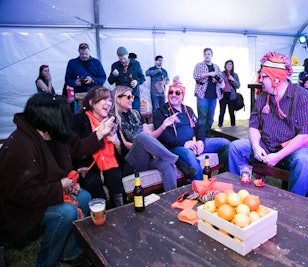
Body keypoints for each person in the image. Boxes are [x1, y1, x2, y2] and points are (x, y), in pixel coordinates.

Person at [0, 93, 114, 266]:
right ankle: (46, 262)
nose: (68, 118)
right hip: (21, 207)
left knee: (85, 198)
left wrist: (99, 133)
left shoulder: (55, 133)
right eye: (64, 114)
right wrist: (60, 185)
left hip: (46, 193)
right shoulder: (21, 146)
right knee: (66, 212)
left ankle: (70, 252)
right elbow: (22, 194)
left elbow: (78, 148)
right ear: (49, 118)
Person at [228, 51, 308, 196]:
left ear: (276, 79)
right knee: (235, 147)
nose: (259, 79)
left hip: (292, 149)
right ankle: (238, 195)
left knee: (304, 160)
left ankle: (295, 204)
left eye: (264, 76)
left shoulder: (302, 96)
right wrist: (256, 147)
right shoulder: (263, 96)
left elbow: (305, 135)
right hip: (267, 145)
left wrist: (278, 156)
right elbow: (253, 126)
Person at [111, 86, 197, 191]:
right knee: (141, 137)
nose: (132, 100)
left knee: (167, 165)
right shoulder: (113, 119)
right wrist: (146, 146)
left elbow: (150, 136)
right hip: (131, 161)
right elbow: (124, 145)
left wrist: (164, 125)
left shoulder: (136, 114)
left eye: (132, 97)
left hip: (148, 157)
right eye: (128, 97)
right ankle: (178, 161)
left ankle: (172, 197)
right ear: (118, 99)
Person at [153, 76, 230, 181]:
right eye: (171, 92)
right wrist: (184, 144)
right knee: (188, 154)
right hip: (177, 147)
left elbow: (199, 127)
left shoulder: (188, 110)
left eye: (177, 93)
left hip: (194, 143)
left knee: (225, 143)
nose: (173, 95)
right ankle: (201, 188)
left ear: (183, 95)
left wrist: (200, 141)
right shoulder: (161, 112)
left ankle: (223, 176)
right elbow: (162, 135)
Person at [72, 86, 125, 208]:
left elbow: (122, 154)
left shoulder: (111, 120)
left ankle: (122, 214)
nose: (108, 104)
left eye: (110, 100)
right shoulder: (78, 120)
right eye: (104, 100)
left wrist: (117, 142)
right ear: (91, 102)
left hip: (110, 164)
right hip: (88, 166)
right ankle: (101, 216)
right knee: (93, 182)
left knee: (115, 177)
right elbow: (75, 149)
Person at [65, 43, 106, 113]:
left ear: (89, 51)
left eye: (86, 54)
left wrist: (93, 80)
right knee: (79, 115)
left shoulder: (96, 62)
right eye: (82, 54)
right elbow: (67, 79)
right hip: (79, 95)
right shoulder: (72, 63)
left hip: (94, 94)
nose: (84, 56)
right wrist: (75, 83)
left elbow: (103, 78)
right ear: (78, 52)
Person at [193, 48, 225, 135]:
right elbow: (196, 76)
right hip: (202, 95)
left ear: (212, 55)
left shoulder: (216, 67)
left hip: (214, 96)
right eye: (205, 54)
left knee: (210, 117)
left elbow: (221, 78)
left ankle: (207, 133)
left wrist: (217, 80)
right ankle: (201, 135)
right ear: (203, 55)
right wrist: (209, 74)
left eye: (209, 54)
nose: (207, 56)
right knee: (202, 116)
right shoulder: (199, 65)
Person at [108, 46, 145, 112]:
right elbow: (110, 81)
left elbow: (142, 78)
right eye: (120, 59)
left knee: (136, 115)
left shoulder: (136, 64)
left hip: (134, 95)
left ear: (128, 55)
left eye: (124, 58)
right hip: (121, 97)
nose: (122, 61)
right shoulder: (115, 65)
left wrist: (137, 82)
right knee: (123, 116)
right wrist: (114, 75)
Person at [218, 59, 241, 127]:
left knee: (231, 112)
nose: (229, 66)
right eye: (228, 64)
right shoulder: (222, 74)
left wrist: (233, 79)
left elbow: (238, 86)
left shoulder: (235, 75)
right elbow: (218, 83)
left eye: (230, 64)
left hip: (232, 96)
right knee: (222, 112)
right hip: (223, 95)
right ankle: (220, 126)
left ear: (232, 66)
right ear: (225, 65)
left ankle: (233, 127)